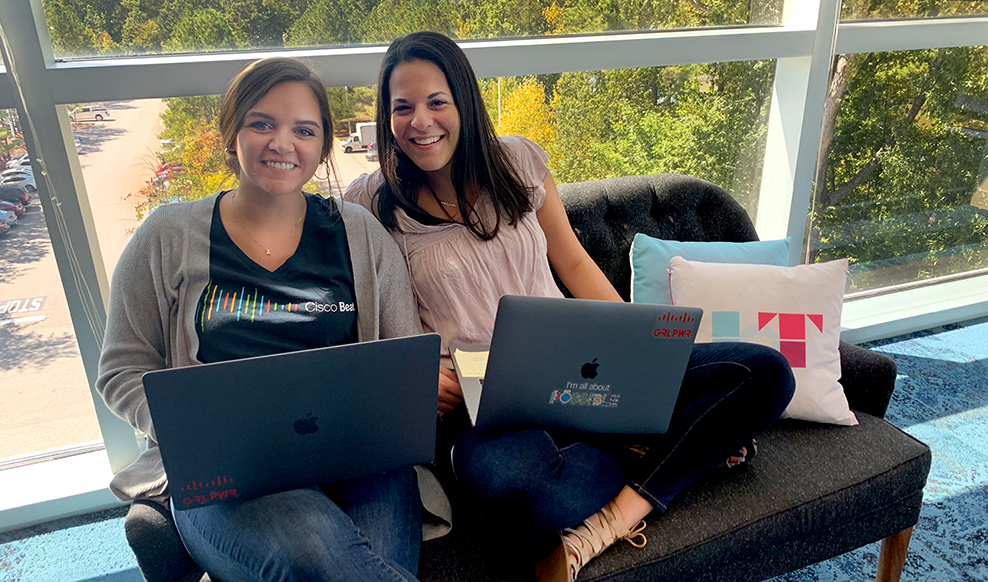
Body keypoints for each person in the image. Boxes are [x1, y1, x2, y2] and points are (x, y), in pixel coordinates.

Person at [344, 31, 795, 582]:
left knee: (765, 373)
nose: (421, 120)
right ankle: (660, 442)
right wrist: (416, 373)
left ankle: (613, 516)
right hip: (482, 403)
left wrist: (646, 345)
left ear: (463, 101)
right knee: (525, 491)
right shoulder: (371, 202)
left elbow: (576, 265)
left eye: (437, 101)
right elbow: (370, 313)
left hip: (580, 363)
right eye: (402, 107)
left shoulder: (517, 162)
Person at [96, 57, 449, 582]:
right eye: (262, 123)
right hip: (228, 477)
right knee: (311, 546)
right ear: (231, 132)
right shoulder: (167, 236)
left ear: (323, 144)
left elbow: (400, 361)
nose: (283, 144)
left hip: (361, 463)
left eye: (303, 130)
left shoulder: (360, 235)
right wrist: (192, 431)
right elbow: (120, 371)